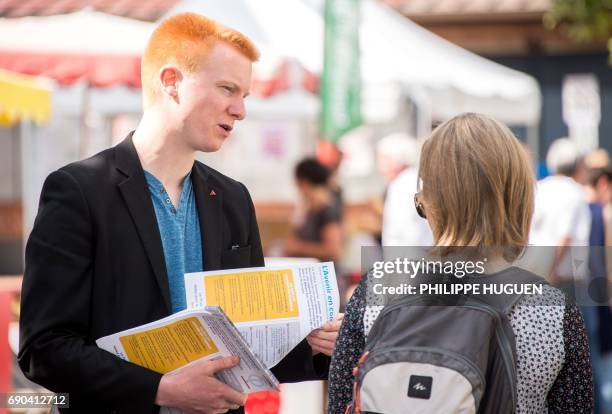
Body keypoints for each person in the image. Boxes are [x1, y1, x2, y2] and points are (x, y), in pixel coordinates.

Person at [19, 13, 339, 414]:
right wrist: (159, 389)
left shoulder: (234, 199)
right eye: (228, 88)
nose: (239, 110)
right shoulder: (78, 191)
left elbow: (253, 348)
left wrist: (311, 344)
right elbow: (44, 349)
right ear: (171, 81)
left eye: (244, 96)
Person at [328, 113, 593, 413]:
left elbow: (341, 404)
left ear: (427, 203)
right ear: (518, 198)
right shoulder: (553, 310)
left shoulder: (377, 289)